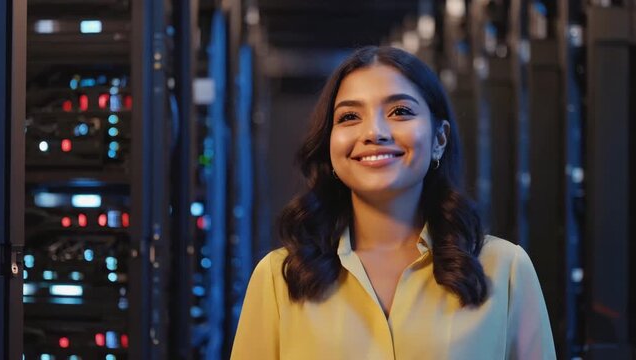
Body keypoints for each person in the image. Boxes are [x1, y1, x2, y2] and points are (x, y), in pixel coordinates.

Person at [231, 46, 555, 359]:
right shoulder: (279, 277)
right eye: (349, 117)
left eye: (400, 111)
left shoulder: (505, 269)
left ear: (439, 139)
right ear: (329, 142)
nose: (374, 132)